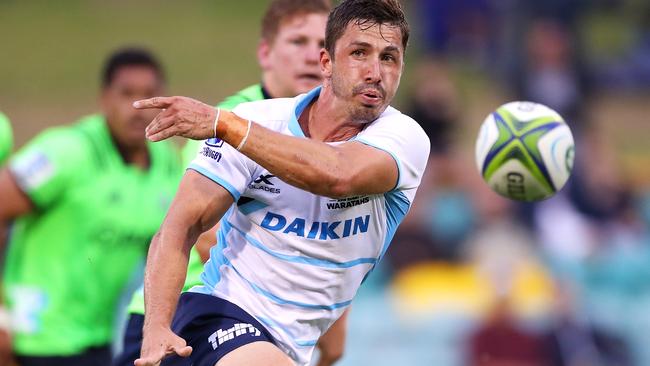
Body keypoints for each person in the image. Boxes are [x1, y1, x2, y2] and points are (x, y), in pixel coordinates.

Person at [135, 1, 429, 365]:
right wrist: (157, 326)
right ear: (326, 63)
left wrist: (225, 125)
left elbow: (337, 175)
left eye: (389, 58)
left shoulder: (404, 138)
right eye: (358, 53)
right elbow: (180, 227)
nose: (374, 71)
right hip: (217, 318)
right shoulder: (255, 119)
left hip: (290, 347)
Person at [112, 1, 349, 366]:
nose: (309, 56)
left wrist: (329, 320)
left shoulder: (333, 136)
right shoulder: (224, 123)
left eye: (321, 45)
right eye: (297, 41)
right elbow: (205, 236)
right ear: (266, 53)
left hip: (258, 321)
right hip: (183, 314)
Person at [0, 48, 183, 366]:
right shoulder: (67, 152)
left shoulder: (168, 164)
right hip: (34, 339)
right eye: (126, 94)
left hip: (99, 338)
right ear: (104, 99)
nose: (138, 108)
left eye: (149, 95)